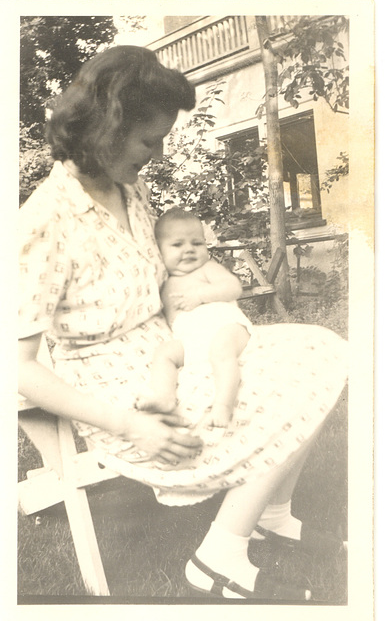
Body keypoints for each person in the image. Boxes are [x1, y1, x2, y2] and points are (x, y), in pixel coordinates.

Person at [18, 45, 348, 600]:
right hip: (123, 393)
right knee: (286, 382)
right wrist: (129, 425)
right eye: (150, 139)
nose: (158, 152)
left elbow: (169, 268)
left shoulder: (129, 189)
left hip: (172, 346)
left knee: (321, 348)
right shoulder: (43, 222)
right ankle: (218, 559)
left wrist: (212, 295)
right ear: (107, 127)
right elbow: (17, 367)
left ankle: (271, 515)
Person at [137, 207, 252, 429]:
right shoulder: (163, 283)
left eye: (197, 243)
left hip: (226, 326)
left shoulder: (207, 268)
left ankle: (223, 406)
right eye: (177, 245)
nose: (189, 249)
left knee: (222, 351)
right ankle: (164, 397)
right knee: (165, 353)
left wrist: (200, 295)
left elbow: (233, 287)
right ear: (159, 252)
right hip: (192, 339)